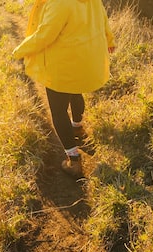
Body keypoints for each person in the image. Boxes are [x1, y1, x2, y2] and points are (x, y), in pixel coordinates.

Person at [13, 0, 115, 178]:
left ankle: (73, 161)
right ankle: (77, 127)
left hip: (61, 66)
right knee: (76, 92)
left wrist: (19, 51)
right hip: (82, 59)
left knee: (59, 112)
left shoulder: (60, 3)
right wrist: (110, 39)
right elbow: (103, 19)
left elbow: (45, 35)